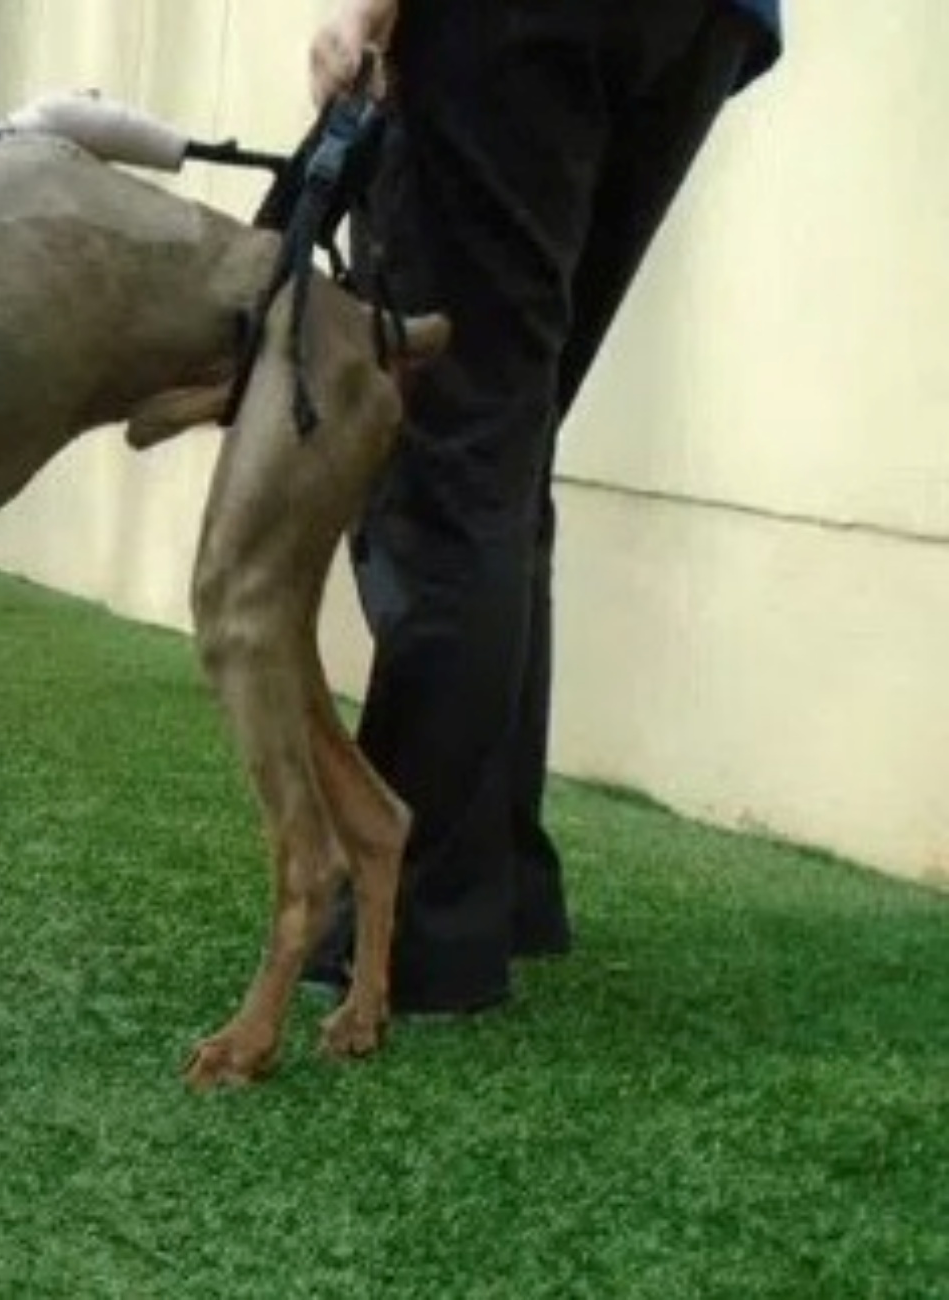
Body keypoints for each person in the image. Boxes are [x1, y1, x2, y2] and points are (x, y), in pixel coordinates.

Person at [302, 0, 784, 1012]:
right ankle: (498, 883)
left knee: (453, 450)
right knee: (503, 442)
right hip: (701, 26)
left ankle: (420, 925)